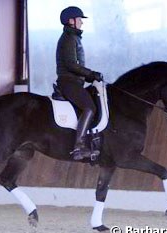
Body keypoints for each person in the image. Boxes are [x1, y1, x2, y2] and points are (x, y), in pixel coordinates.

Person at [56, 6, 103, 160]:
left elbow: (76, 66)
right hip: (69, 82)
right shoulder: (69, 38)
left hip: (75, 81)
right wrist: (91, 74)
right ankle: (79, 147)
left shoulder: (73, 37)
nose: (82, 23)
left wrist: (90, 77)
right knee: (89, 107)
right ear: (71, 21)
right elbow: (71, 64)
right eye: (79, 19)